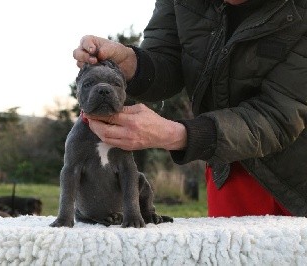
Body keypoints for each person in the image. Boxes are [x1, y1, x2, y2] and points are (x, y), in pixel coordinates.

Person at [73, 0, 307, 217]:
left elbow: (278, 114)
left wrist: (177, 135)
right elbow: (169, 57)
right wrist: (132, 63)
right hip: (227, 162)